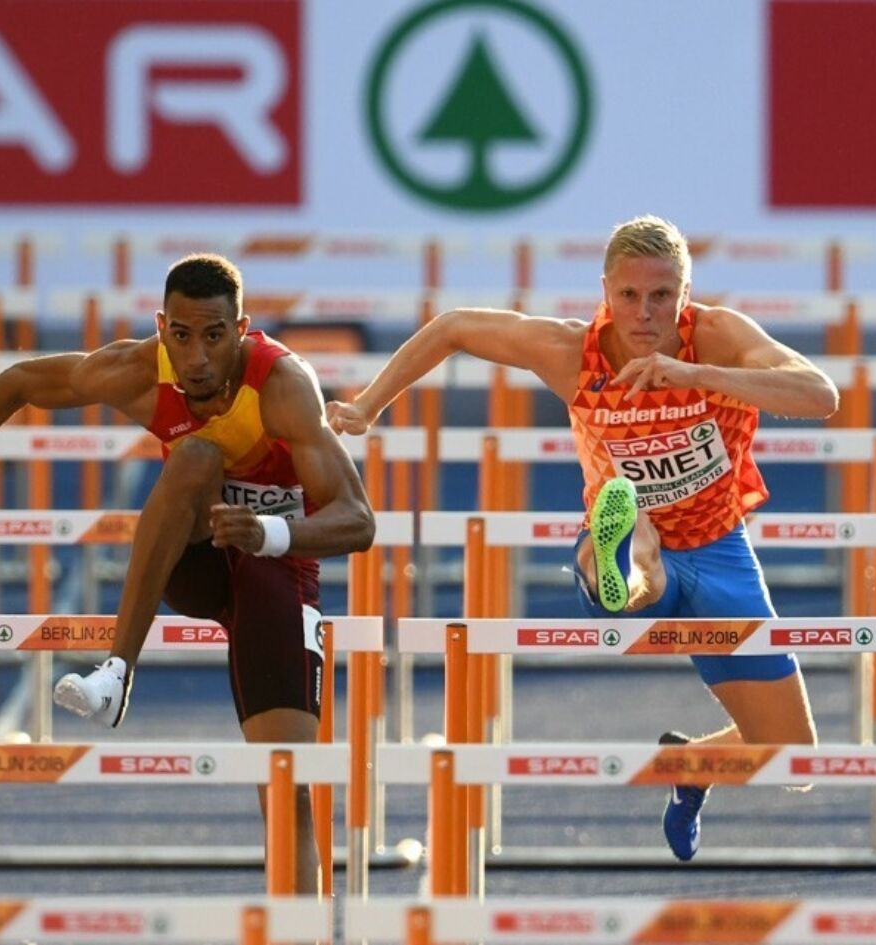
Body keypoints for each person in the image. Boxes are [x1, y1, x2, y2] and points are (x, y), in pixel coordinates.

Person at [327, 215, 837, 860]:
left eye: (661, 296)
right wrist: (369, 404)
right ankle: (625, 556)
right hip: (630, 544)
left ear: (685, 291)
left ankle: (690, 766)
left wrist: (698, 377)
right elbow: (454, 326)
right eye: (628, 296)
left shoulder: (719, 335)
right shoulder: (570, 351)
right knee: (634, 556)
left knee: (796, 761)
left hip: (719, 547)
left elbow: (820, 394)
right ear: (605, 291)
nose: (644, 313)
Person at [0, 254, 376, 892]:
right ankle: (118, 672)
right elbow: (18, 383)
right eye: (180, 334)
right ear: (161, 326)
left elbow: (358, 520)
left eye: (213, 336)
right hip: (193, 556)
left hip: (273, 566)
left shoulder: (282, 385)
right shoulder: (139, 370)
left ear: (241, 328)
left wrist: (269, 532)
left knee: (290, 791)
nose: (196, 357)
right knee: (196, 456)